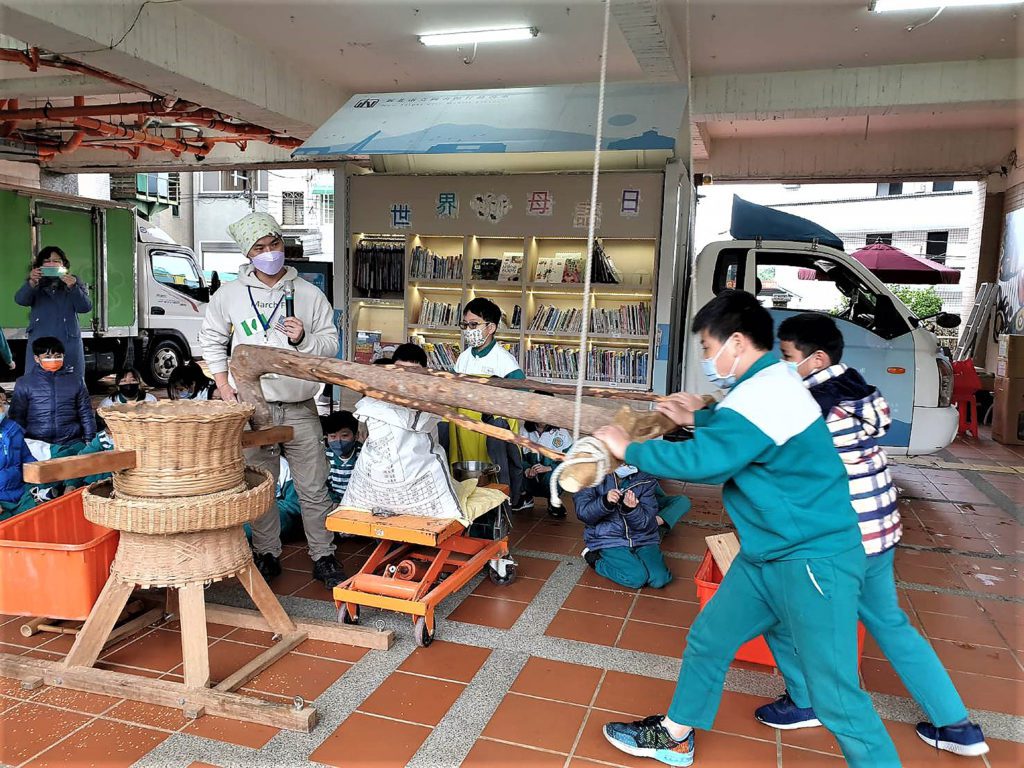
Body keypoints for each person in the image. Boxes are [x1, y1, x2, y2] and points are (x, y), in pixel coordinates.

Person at [593, 290, 899, 768]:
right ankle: (674, 736)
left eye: (706, 347)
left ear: (736, 342)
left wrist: (626, 448)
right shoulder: (766, 383)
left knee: (839, 698)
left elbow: (710, 462)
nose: (706, 358)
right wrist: (699, 416)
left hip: (813, 559)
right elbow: (743, 432)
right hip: (767, 554)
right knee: (709, 638)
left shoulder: (768, 391)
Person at [751, 312, 986, 756]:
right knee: (892, 626)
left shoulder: (810, 408)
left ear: (817, 359)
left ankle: (806, 701)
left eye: (787, 356)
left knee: (776, 612)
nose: (782, 364)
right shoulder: (858, 389)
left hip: (838, 542)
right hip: (879, 535)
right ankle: (956, 725)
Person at [199, 211, 342, 589]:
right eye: (259, 248)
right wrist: (224, 385)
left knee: (313, 486)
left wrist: (303, 340)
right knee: (261, 485)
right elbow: (211, 338)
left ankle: (323, 554)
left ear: (283, 244)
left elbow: (330, 346)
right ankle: (266, 553)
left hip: (299, 407)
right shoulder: (228, 294)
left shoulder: (310, 294)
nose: (269, 253)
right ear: (248, 254)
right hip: (252, 408)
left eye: (274, 244)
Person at [343, 343, 462, 519]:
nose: (406, 376)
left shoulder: (429, 402)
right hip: (382, 476)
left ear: (424, 373)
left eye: (413, 371)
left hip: (418, 471)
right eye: (400, 369)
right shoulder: (376, 398)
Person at [444, 297, 529, 511]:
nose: (468, 329)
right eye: (465, 325)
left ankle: (500, 512)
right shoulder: (463, 358)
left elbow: (522, 393)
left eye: (474, 324)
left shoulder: (504, 360)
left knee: (493, 476)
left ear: (491, 327)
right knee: (468, 478)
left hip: (491, 431)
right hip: (466, 430)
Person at [574, 464, 675, 589]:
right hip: (609, 539)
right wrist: (604, 502)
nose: (624, 463)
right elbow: (583, 513)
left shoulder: (646, 478)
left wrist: (631, 510)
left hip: (643, 537)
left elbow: (646, 522)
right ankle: (595, 560)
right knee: (636, 578)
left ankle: (635, 559)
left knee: (660, 579)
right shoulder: (591, 473)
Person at [15, 246, 93, 379]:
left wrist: (73, 287)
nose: (51, 264)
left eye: (56, 260)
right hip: (40, 340)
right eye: (47, 261)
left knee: (71, 380)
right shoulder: (35, 282)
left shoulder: (74, 281)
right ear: (40, 265)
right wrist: (32, 283)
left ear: (63, 264)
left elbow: (85, 307)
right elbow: (21, 300)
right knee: (36, 381)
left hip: (68, 341)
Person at [10, 337, 96, 450]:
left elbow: (86, 413)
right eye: (47, 357)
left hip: (72, 442)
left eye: (58, 356)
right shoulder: (24, 383)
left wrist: (90, 439)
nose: (53, 360)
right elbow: (17, 417)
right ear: (36, 358)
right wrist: (17, 443)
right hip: (37, 445)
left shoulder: (76, 381)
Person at [520, 400, 572, 518]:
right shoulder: (524, 430)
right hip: (530, 477)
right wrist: (527, 469)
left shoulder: (561, 433)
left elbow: (570, 459)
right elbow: (517, 456)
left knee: (555, 474)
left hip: (549, 476)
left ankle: (554, 500)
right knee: (514, 468)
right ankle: (525, 497)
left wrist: (549, 468)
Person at [0, 387, 35, 519]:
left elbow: (28, 459)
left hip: (19, 495)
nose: (3, 408)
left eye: (4, 403)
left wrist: (43, 478)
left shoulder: (12, 430)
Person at [322, 410, 361, 504]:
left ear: (356, 436)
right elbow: (323, 487)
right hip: (333, 503)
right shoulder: (325, 458)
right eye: (333, 436)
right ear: (327, 437)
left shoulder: (363, 456)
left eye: (344, 436)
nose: (338, 441)